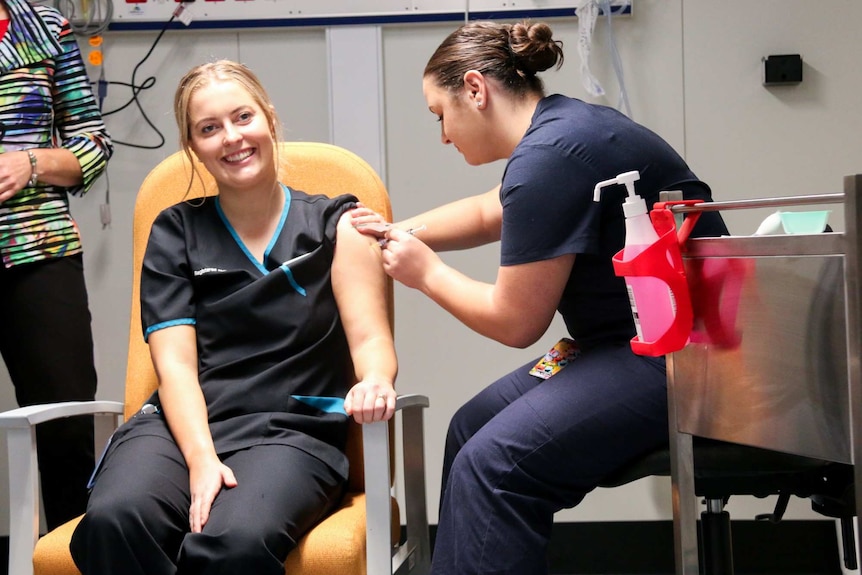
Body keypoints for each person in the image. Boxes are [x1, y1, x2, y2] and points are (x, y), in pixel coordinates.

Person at [352, 20, 729, 575]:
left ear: (476, 90)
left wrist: (425, 273)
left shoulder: (550, 155)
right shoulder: (563, 129)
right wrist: (396, 231)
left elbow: (515, 323)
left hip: (681, 355)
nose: (443, 136)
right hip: (623, 345)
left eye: (440, 115)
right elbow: (491, 211)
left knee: (494, 466)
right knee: (469, 427)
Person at [69, 60, 397, 574]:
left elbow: (371, 339)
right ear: (192, 147)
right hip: (181, 429)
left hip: (290, 433)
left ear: (268, 119)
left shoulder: (337, 224)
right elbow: (174, 368)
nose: (231, 138)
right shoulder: (175, 231)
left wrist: (376, 380)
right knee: (114, 520)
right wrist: (201, 460)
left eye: (242, 117)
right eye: (209, 128)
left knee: (234, 541)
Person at [0, 0, 112, 530]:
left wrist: (32, 162)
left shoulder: (44, 26)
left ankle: (73, 557)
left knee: (66, 427)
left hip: (39, 251)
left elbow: (93, 140)